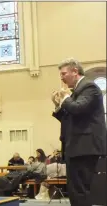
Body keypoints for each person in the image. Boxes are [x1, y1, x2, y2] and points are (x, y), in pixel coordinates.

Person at [52, 58, 107, 206]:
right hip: (76, 147)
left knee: (80, 190)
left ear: (75, 71)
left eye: (64, 73)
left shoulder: (89, 87)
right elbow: (70, 118)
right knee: (75, 190)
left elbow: (77, 108)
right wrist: (58, 105)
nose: (61, 77)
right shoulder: (76, 91)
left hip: (85, 147)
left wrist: (65, 98)